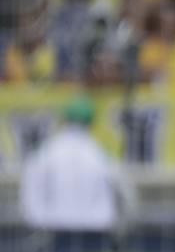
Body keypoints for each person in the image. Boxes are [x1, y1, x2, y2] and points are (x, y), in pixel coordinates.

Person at [20, 96, 134, 231]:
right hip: (96, 229)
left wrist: (36, 220)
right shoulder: (100, 154)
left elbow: (30, 190)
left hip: (53, 228)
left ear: (64, 120)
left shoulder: (46, 152)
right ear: (91, 124)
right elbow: (125, 194)